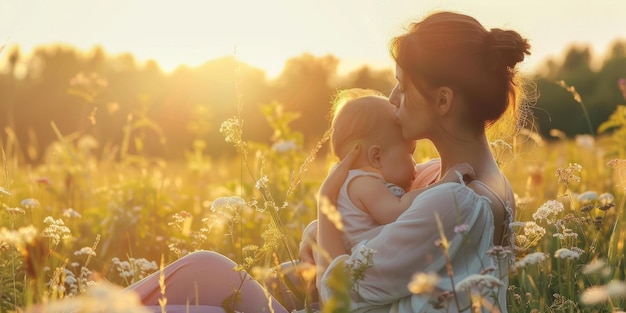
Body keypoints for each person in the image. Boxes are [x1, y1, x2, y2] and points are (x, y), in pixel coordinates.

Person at [313, 10, 529, 313]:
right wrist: (318, 234)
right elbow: (374, 234)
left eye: (402, 85)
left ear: (443, 101)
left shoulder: (455, 200)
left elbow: (339, 297)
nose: (392, 98)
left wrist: (325, 206)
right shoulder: (445, 178)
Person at [322, 88, 473, 260]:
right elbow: (398, 210)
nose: (415, 162)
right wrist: (445, 182)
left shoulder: (349, 182)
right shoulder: (364, 184)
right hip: (362, 265)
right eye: (410, 153)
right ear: (376, 156)